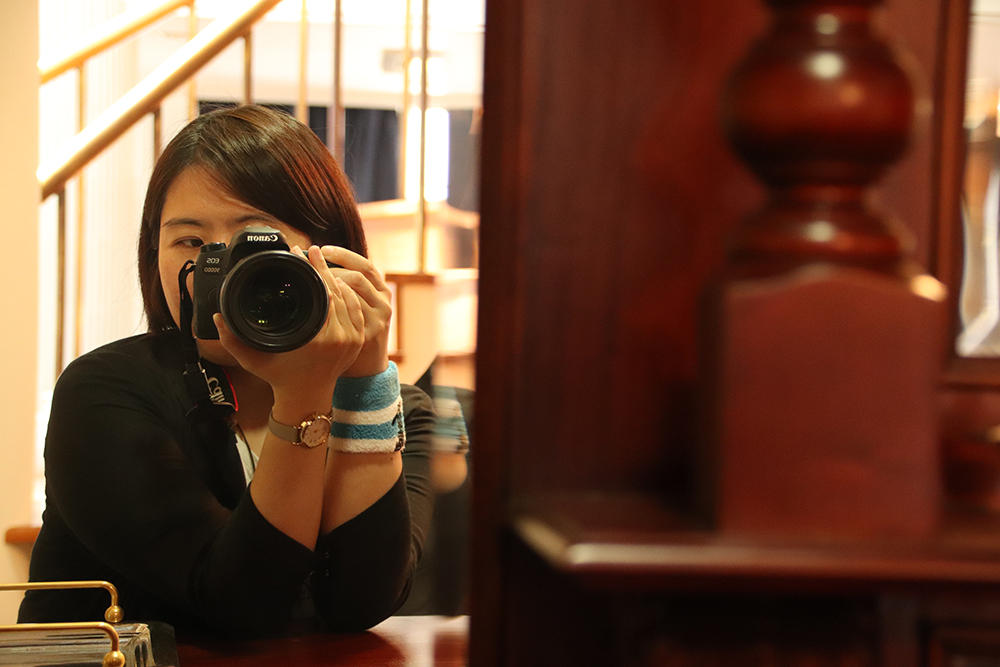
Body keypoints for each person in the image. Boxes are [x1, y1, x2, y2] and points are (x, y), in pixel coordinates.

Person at [18, 104, 434, 636]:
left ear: (331, 253)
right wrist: (302, 398)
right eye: (190, 242)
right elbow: (237, 604)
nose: (220, 267)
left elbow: (362, 602)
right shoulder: (105, 394)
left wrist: (366, 381)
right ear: (155, 254)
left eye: (252, 240)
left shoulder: (398, 411)